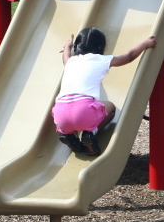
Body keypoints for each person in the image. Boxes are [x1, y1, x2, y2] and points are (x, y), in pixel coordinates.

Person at [54, 28, 157, 156]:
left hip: (59, 115)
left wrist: (67, 46)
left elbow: (66, 56)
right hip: (83, 112)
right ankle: (90, 134)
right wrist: (145, 43)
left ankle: (67, 135)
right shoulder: (101, 60)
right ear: (102, 48)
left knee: (71, 118)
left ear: (77, 48)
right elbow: (128, 57)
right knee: (111, 108)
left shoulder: (70, 62)